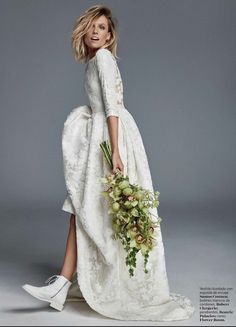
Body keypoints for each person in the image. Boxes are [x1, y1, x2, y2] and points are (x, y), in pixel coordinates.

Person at [22, 5, 195, 321]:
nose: (95, 31)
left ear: (110, 35)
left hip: (110, 137)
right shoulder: (93, 61)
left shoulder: (102, 59)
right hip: (102, 136)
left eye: (102, 27)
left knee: (85, 208)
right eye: (92, 26)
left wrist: (115, 151)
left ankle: (66, 284)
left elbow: (113, 108)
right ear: (84, 30)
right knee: (81, 207)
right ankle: (61, 284)